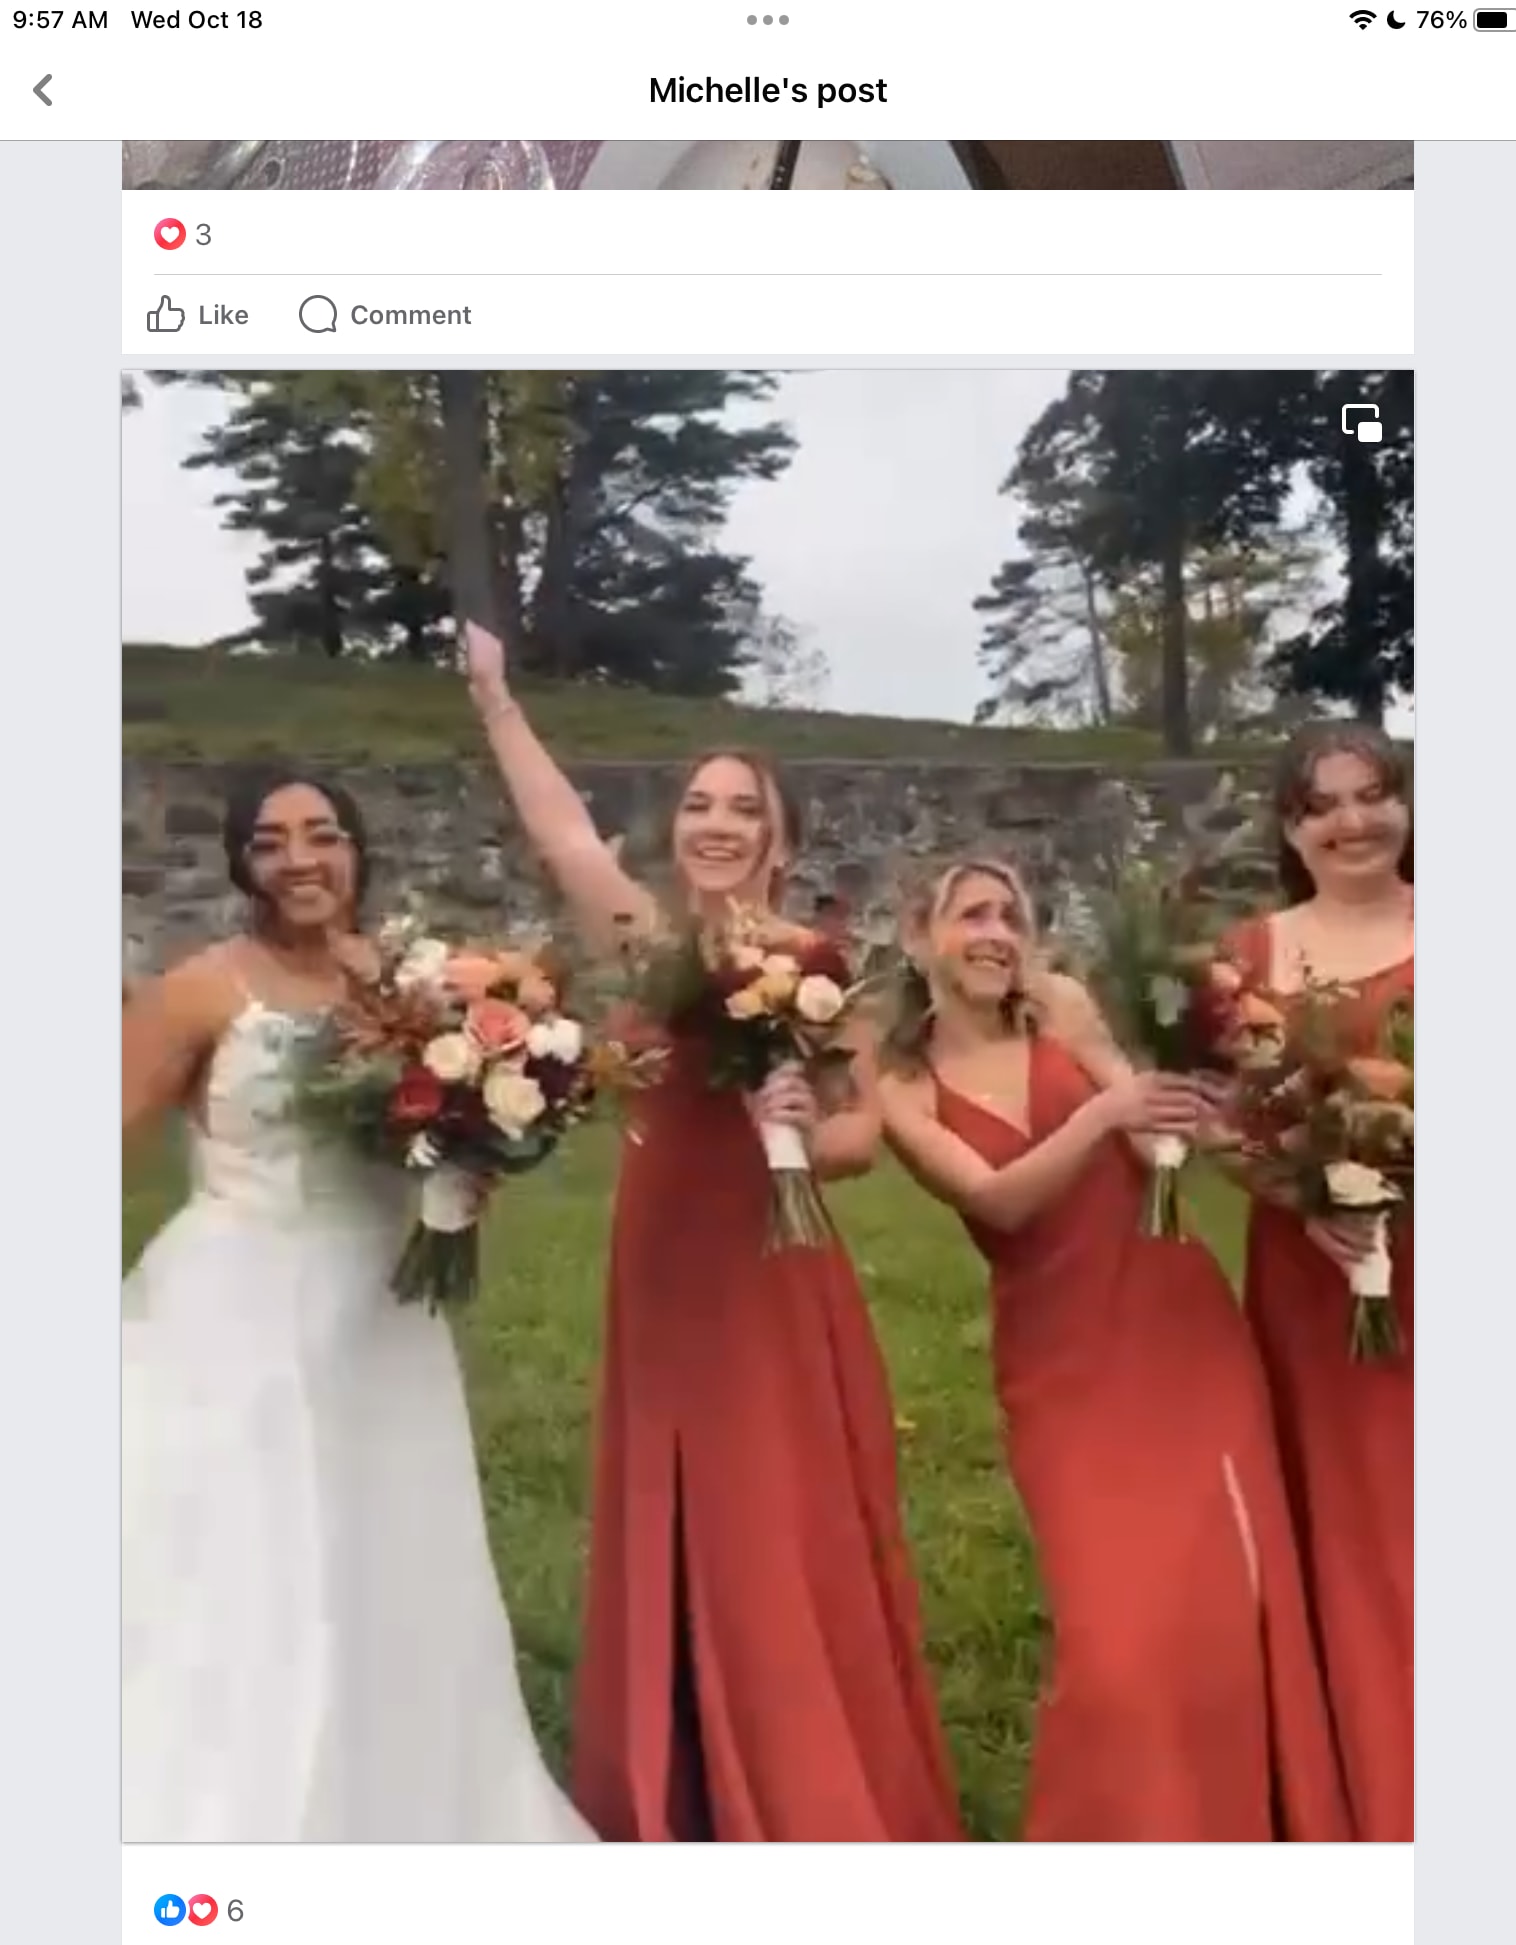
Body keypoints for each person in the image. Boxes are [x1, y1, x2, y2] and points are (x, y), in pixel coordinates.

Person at [464, 626, 960, 1843]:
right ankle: (676, 1774)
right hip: (663, 1263)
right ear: (677, 829)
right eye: (700, 804)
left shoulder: (815, 966)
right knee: (674, 1502)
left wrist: (802, 1123)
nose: (720, 823)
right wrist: (495, 697)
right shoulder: (647, 943)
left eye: (745, 808)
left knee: (768, 1514)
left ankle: (792, 1773)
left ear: (780, 839)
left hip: (769, 1266)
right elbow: (564, 836)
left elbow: (861, 1133)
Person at [121, 770, 593, 1844]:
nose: (301, 858)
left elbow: (441, 1133)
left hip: (383, 1318)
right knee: (246, 1566)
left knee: (391, 1559)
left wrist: (474, 1163)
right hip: (234, 1315)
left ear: (356, 850)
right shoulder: (199, 991)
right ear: (242, 862)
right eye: (271, 840)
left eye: (323, 834)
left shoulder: (418, 989)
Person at [878, 859, 1351, 1842]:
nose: (997, 932)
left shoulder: (1062, 1008)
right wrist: (1105, 1114)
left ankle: (1253, 1832)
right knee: (1114, 1645)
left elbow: (1153, 1136)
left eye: (1012, 915)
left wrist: (1255, 1153)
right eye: (972, 914)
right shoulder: (901, 1083)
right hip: (1058, 1366)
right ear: (920, 936)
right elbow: (995, 1201)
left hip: (1176, 1326)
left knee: (1226, 1598)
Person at [1218, 721, 1414, 1843]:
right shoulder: (1249, 953)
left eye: (1374, 794)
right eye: (1323, 803)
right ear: (1290, 828)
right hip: (1307, 1275)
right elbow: (1222, 1125)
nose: (1353, 821)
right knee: (1331, 1526)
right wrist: (1304, 1199)